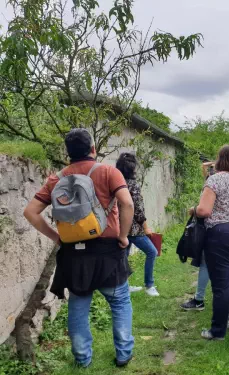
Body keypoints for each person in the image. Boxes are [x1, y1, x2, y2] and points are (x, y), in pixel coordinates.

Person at [23, 129, 135, 368]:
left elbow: (30, 212)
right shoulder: (108, 172)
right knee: (120, 302)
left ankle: (83, 358)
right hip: (107, 251)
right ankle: (124, 354)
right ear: (93, 149)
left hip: (74, 254)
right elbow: (127, 202)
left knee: (78, 306)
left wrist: (57, 237)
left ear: (68, 153)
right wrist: (124, 236)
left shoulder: (57, 179)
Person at [189, 145, 229, 340]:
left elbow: (204, 211)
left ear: (219, 159)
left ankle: (217, 331)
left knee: (221, 285)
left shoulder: (215, 180)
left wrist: (193, 210)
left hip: (221, 234)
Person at [116, 153, 160, 297]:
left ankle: (125, 286)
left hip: (119, 228)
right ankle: (149, 285)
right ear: (133, 168)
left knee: (124, 256)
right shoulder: (133, 185)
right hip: (133, 229)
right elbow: (138, 209)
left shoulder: (116, 183)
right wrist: (146, 227)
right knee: (152, 252)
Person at [180, 161, 216, 311]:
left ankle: (199, 299)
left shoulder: (212, 185)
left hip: (209, 228)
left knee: (206, 264)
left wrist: (194, 209)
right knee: (212, 265)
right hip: (225, 230)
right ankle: (206, 299)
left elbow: (204, 210)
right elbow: (203, 168)